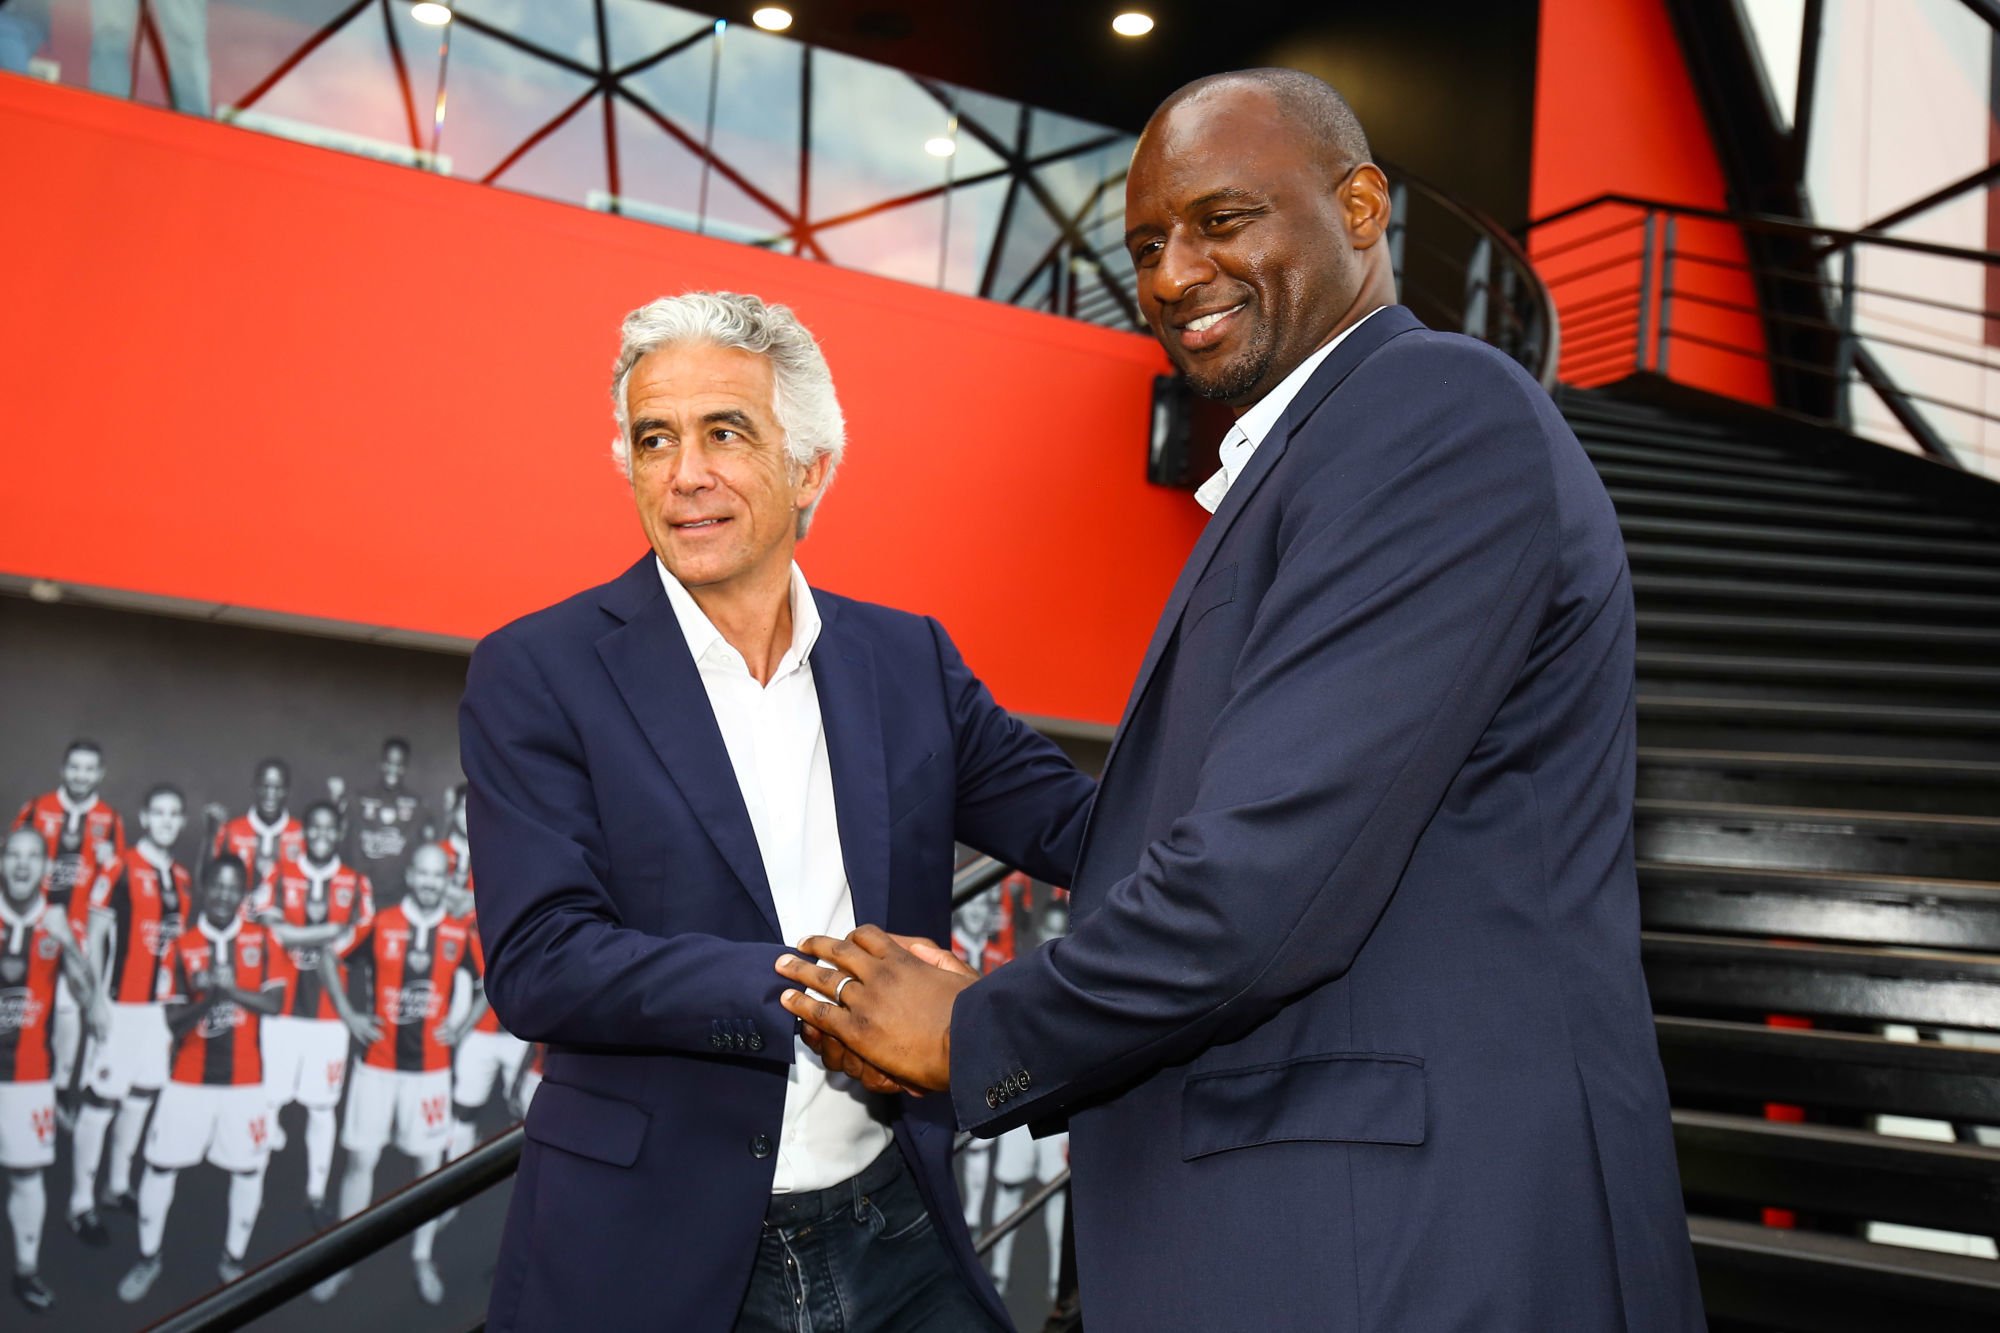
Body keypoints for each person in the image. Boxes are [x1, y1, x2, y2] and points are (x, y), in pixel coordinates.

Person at [777, 69, 1704, 1330]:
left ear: (1360, 208)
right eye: (1144, 245)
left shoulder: (1432, 411)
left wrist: (970, 1028)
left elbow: (1267, 877)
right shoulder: (1314, 457)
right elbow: (1206, 827)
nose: (1171, 275)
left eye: (1220, 221)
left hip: (1400, 1246)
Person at [459, 290, 1096, 1332]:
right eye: (654, 438)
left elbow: (1085, 830)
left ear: (810, 471)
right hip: (650, 1250)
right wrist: (831, 990)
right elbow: (542, 959)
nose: (683, 473)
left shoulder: (907, 660)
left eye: (724, 432)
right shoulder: (535, 670)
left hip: (898, 1224)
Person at [312, 843, 480, 1307]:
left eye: (438, 875)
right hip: (377, 1069)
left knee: (429, 1170)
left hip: (429, 1074)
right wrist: (349, 1015)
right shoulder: (381, 923)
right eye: (422, 874)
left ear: (447, 881)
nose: (429, 883)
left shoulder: (458, 931)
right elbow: (328, 957)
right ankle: (343, 1261)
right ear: (409, 876)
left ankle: (422, 1257)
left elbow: (489, 983)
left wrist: (462, 1028)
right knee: (360, 1163)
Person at [117, 853, 284, 1302]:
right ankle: (148, 1258)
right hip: (187, 1080)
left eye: (233, 887)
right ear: (205, 889)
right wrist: (209, 997)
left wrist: (228, 989)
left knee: (248, 1171)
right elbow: (172, 1021)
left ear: (242, 893)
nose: (224, 895)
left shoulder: (262, 940)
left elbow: (274, 1004)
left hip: (245, 1082)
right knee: (159, 1166)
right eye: (217, 886)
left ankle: (232, 1260)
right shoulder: (181, 945)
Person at [68, 783, 190, 1244]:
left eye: (174, 813)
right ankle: (80, 1202)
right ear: (143, 817)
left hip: (158, 1013)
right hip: (119, 1008)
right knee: (101, 1102)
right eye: (158, 812)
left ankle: (116, 1186)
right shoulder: (119, 867)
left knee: (141, 1096)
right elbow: (94, 936)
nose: (166, 821)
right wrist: (96, 1001)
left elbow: (175, 947)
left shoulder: (181, 877)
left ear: (181, 821)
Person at [250, 800, 374, 1224]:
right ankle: (253, 1185)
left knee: (322, 1109)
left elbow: (355, 938)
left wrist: (298, 934)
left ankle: (315, 1194)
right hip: (281, 1014)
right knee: (269, 1103)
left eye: (329, 828)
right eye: (314, 827)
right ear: (304, 831)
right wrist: (328, 931)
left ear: (339, 833)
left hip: (328, 1019)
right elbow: (273, 933)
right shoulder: (279, 874)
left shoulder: (356, 883)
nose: (321, 835)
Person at [0, 828, 94, 1314]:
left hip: (29, 1077)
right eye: (12, 855)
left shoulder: (58, 923)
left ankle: (25, 1271)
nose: (21, 865)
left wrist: (69, 944)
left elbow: (90, 1003)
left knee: (26, 1175)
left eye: (32, 856)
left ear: (45, 867)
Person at [14, 739, 126, 1122]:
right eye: (74, 767)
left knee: (69, 1007)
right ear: (63, 770)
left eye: (89, 769)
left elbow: (115, 880)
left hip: (79, 932)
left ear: (100, 774)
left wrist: (110, 865)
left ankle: (62, 1088)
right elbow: (11, 859)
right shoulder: (36, 808)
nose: (81, 775)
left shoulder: (109, 819)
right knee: (27, 1002)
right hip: (34, 926)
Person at [333, 737, 433, 892]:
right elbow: (342, 838)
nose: (393, 769)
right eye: (388, 763)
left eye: (398, 765)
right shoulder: (358, 800)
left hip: (399, 891)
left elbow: (426, 847)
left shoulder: (417, 804)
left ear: (405, 767)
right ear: (380, 763)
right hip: (362, 888)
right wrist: (336, 800)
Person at [211, 758, 302, 888]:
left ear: (287, 791)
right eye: (265, 786)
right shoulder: (232, 830)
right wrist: (210, 836)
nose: (270, 794)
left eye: (278, 788)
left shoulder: (301, 833)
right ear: (254, 787)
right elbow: (208, 880)